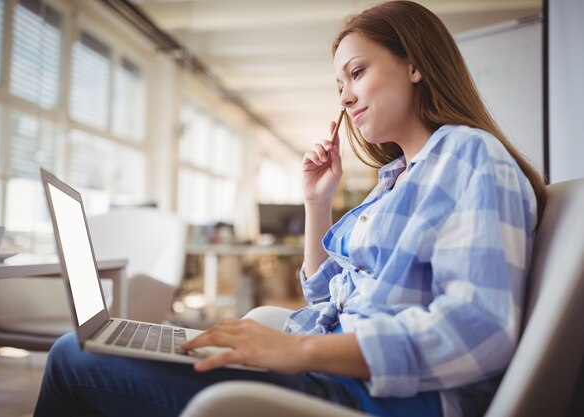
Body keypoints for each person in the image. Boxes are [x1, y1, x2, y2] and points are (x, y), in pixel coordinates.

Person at [34, 1, 546, 416]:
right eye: (339, 85)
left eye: (357, 72)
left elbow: (479, 329)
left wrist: (297, 351)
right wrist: (316, 204)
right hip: (332, 368)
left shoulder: (468, 154)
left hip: (378, 396)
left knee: (72, 355)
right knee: (107, 348)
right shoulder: (394, 180)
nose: (345, 97)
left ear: (414, 64)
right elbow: (328, 294)